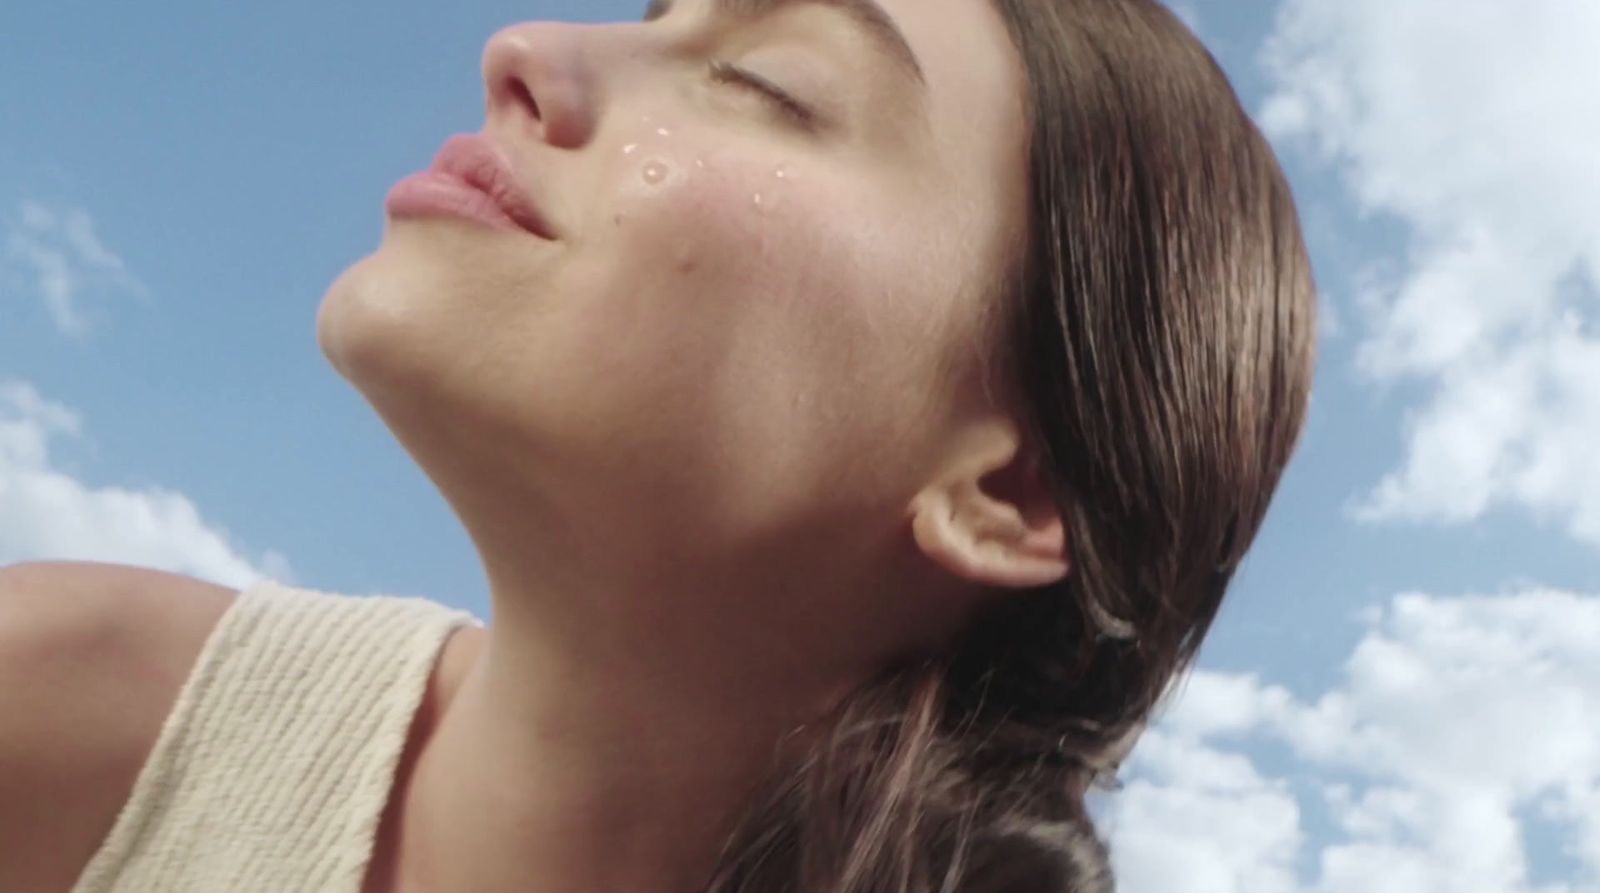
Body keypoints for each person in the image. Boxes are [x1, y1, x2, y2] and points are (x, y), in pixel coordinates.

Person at [0, 0, 1317, 890]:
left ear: (1008, 488)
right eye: (653, 14)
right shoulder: (84, 716)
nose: (524, 47)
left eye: (761, 82)